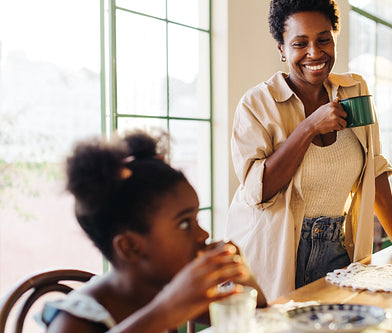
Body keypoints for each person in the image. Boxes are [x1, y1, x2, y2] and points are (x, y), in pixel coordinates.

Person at [225, 0, 392, 300]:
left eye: (324, 39)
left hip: (337, 247)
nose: (314, 52)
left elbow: (373, 169)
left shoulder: (355, 91)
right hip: (274, 252)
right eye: (300, 43)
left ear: (335, 37)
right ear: (282, 49)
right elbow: (259, 191)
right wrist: (309, 127)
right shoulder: (256, 104)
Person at [41, 130, 266, 333]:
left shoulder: (158, 287)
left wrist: (239, 273)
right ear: (130, 247)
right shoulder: (74, 321)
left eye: (196, 220)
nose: (203, 234)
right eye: (185, 224)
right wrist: (166, 310)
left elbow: (260, 315)